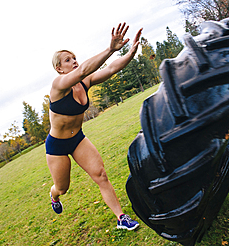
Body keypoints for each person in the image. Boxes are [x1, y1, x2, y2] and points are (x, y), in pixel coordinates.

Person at [46, 22, 142, 230]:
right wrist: (110, 49)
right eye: (68, 60)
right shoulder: (58, 86)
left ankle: (121, 218)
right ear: (59, 68)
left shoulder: (84, 81)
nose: (74, 62)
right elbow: (84, 71)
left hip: (78, 139)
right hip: (57, 146)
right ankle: (54, 195)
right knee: (62, 188)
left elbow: (111, 68)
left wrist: (130, 52)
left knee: (101, 175)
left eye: (74, 58)